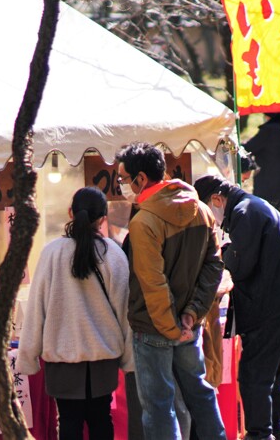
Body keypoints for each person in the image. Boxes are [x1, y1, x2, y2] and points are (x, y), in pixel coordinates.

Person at [115, 142, 226, 440]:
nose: (122, 186)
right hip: (188, 325)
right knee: (201, 394)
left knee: (159, 408)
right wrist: (192, 314)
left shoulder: (144, 221)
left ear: (140, 178)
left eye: (124, 179)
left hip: (154, 328)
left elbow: (153, 283)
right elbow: (214, 267)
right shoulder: (202, 210)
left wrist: (173, 328)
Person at [194, 174, 280, 440]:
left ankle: (260, 434)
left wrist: (221, 253)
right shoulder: (255, 206)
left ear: (217, 200)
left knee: (255, 376)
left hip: (269, 306)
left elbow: (240, 264)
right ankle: (277, 431)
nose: (212, 221)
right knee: (274, 376)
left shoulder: (245, 213)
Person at [17, 187, 134, 440]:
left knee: (69, 421)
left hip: (62, 361)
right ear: (103, 219)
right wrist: (129, 360)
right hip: (103, 359)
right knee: (101, 419)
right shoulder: (113, 254)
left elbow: (36, 308)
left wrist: (27, 356)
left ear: (71, 213)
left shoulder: (51, 253)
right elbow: (126, 312)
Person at [243, 112, 280, 214]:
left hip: (268, 187)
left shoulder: (269, 130)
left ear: (270, 116)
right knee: (277, 219)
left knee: (265, 219)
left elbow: (248, 148)